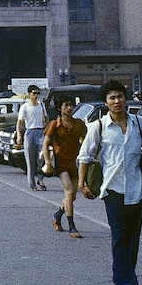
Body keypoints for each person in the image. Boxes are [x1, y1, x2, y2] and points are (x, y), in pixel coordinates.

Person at [77, 80, 142, 285]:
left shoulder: (138, 122)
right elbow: (85, 156)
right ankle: (128, 282)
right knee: (119, 235)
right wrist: (82, 183)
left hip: (136, 188)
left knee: (132, 237)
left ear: (126, 98)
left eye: (120, 96)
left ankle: (124, 275)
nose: (117, 101)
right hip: (113, 189)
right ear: (106, 102)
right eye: (112, 98)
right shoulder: (99, 126)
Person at [42, 96, 87, 238]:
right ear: (59, 108)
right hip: (61, 164)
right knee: (69, 192)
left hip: (75, 163)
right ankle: (72, 226)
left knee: (72, 196)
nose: (69, 108)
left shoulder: (78, 124)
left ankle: (58, 215)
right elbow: (45, 144)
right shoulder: (55, 124)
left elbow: (87, 140)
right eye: (66, 105)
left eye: (70, 105)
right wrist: (48, 163)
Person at [15, 84, 48, 190]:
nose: (36, 96)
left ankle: (40, 178)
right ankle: (32, 184)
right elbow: (19, 122)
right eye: (34, 93)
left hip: (40, 132)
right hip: (30, 132)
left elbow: (46, 118)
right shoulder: (25, 107)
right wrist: (19, 135)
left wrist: (47, 132)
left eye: (38, 93)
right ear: (29, 94)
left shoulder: (41, 105)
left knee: (42, 156)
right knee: (30, 159)